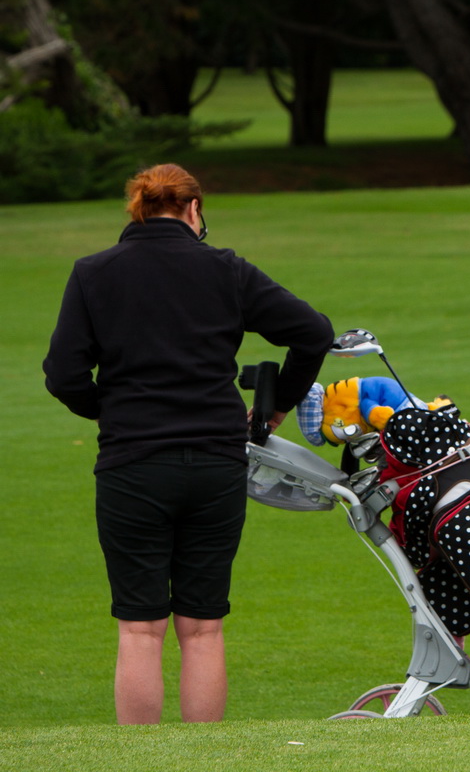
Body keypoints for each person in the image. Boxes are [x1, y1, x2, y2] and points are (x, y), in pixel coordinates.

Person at [43, 163, 333, 724]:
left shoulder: (93, 272)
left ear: (138, 209)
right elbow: (313, 332)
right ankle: (204, 756)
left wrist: (110, 409)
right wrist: (277, 405)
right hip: (215, 462)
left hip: (132, 464)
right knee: (202, 627)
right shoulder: (225, 268)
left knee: (140, 627)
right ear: (194, 208)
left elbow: (63, 374)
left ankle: (142, 759)